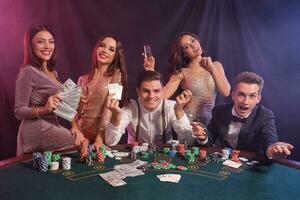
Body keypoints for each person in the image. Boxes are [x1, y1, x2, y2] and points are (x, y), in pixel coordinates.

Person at [15, 24, 85, 156]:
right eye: (41, 41)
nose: (48, 46)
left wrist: (75, 125)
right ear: (31, 45)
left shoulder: (53, 72)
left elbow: (63, 108)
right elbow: (19, 111)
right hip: (37, 129)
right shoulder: (27, 72)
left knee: (79, 140)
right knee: (80, 143)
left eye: (51, 41)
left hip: (52, 124)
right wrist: (45, 109)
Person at [144, 32, 231, 126]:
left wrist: (212, 68)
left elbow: (225, 92)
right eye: (187, 46)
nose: (193, 46)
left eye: (193, 40)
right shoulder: (182, 73)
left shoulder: (216, 65)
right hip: (189, 124)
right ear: (184, 54)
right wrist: (151, 70)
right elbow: (161, 96)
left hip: (211, 125)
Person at [104, 70, 207, 146]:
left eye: (156, 91)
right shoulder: (130, 107)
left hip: (165, 157)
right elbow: (110, 142)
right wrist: (116, 116)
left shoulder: (172, 106)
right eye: (146, 91)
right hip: (135, 157)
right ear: (138, 91)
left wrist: (179, 111)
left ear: (163, 90)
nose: (151, 96)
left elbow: (188, 142)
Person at [207, 71, 293, 159]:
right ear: (233, 95)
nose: (245, 102)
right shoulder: (219, 111)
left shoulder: (265, 116)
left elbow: (269, 142)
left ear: (258, 99)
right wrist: (202, 139)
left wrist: (272, 150)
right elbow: (208, 140)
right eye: (241, 95)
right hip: (222, 160)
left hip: (249, 164)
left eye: (252, 96)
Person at [72, 34, 129, 149]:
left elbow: (110, 109)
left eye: (111, 49)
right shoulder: (82, 79)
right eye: (102, 46)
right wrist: (77, 131)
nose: (104, 50)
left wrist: (99, 138)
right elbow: (73, 112)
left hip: (101, 138)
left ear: (115, 56)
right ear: (96, 49)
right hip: (80, 136)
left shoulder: (117, 76)